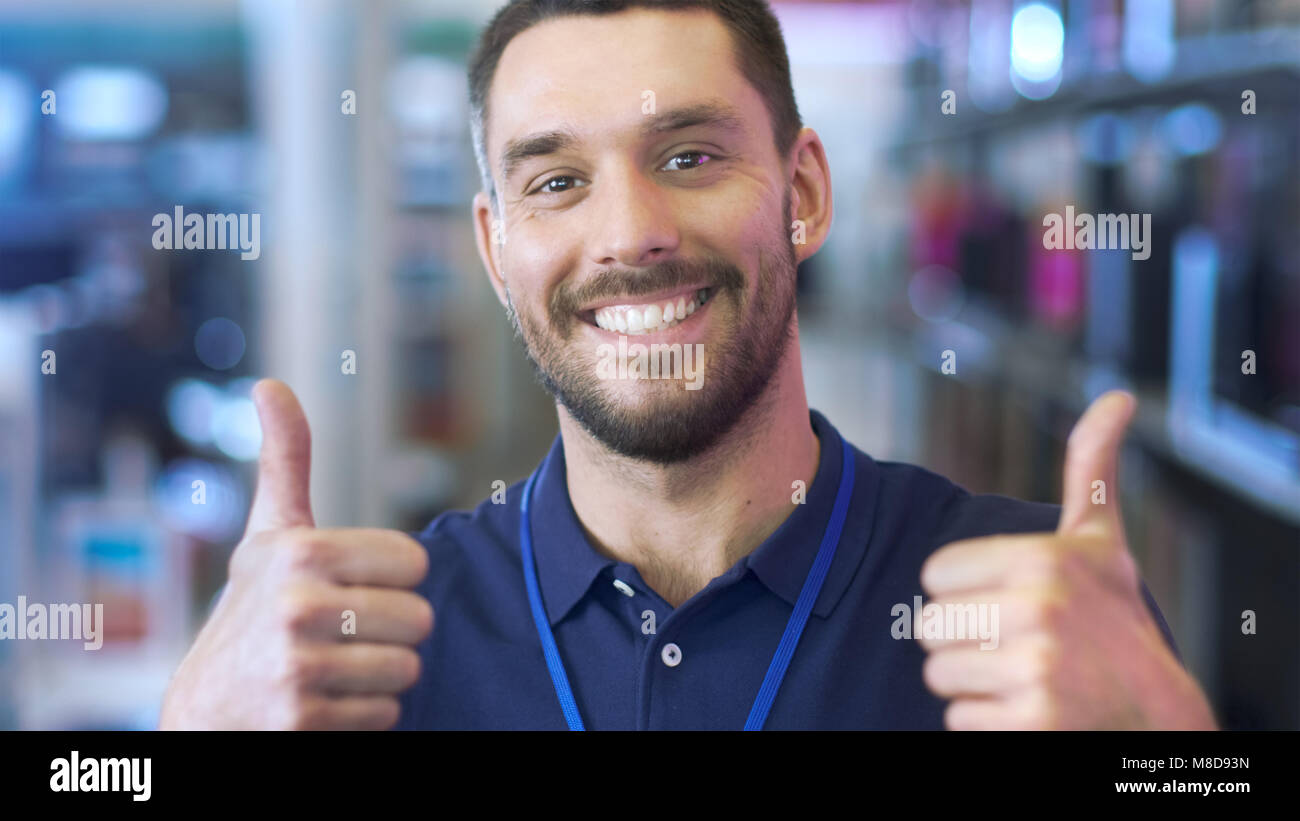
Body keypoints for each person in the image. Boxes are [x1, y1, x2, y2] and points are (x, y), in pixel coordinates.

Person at [159, 0, 1218, 730]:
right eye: (558, 180)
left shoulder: (1037, 600)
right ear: (495, 248)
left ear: (801, 192)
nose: (629, 234)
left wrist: (1177, 750)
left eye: (687, 157)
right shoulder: (369, 641)